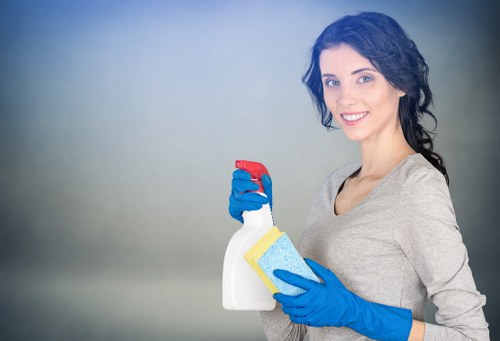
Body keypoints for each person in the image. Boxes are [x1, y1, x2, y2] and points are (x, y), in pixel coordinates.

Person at [228, 11, 489, 341]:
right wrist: (259, 227)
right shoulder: (335, 185)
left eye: (364, 77)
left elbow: (471, 336)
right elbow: (293, 335)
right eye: (332, 81)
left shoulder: (416, 188)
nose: (345, 98)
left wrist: (355, 312)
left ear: (400, 83)